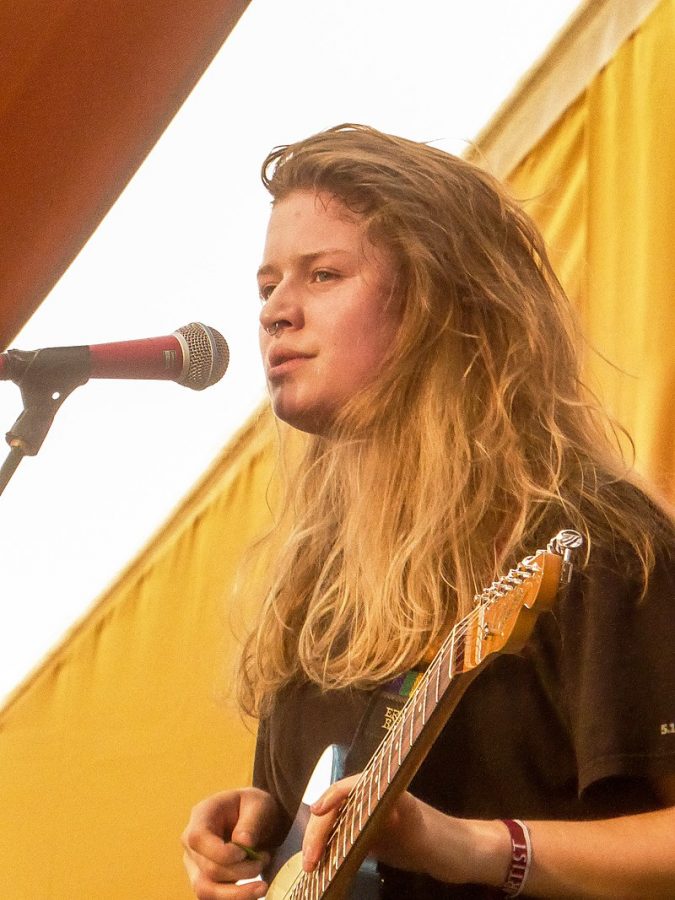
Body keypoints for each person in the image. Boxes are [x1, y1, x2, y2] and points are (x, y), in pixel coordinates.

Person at [182, 124, 675, 898]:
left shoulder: (590, 541)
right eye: (267, 285)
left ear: (439, 301)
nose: (276, 312)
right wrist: (262, 840)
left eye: (322, 275)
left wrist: (476, 847)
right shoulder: (316, 598)